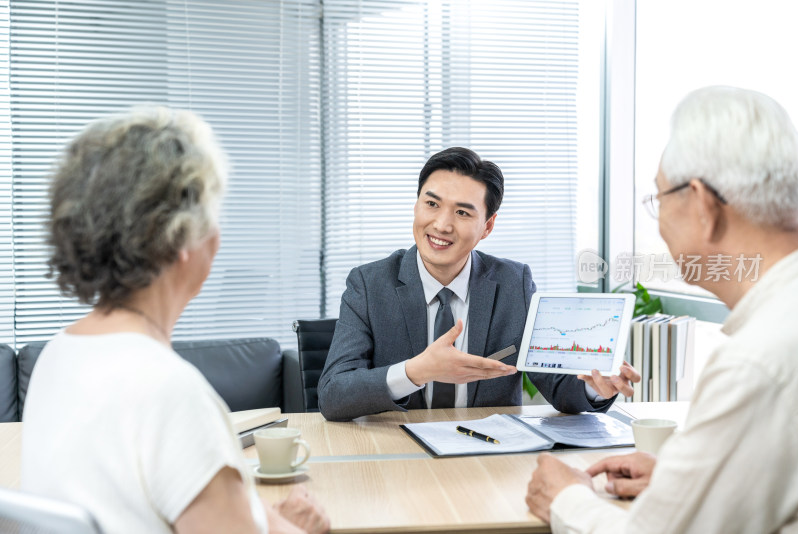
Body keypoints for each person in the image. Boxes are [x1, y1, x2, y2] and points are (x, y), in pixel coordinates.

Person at [20, 107, 329, 534]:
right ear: (182, 237)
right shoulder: (170, 393)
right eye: (213, 211)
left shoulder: (58, 358)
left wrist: (258, 518)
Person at [526, 86, 798, 533]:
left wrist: (565, 498)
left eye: (658, 199)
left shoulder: (756, 361)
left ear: (701, 204)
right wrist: (685, 479)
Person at [317, 147, 640, 421]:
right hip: (394, 453)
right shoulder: (369, 284)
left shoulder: (514, 283)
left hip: (485, 455)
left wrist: (594, 387)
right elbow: (333, 395)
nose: (442, 225)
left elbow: (557, 387)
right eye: (431, 204)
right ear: (416, 205)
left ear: (487, 226)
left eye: (462, 212)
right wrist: (418, 370)